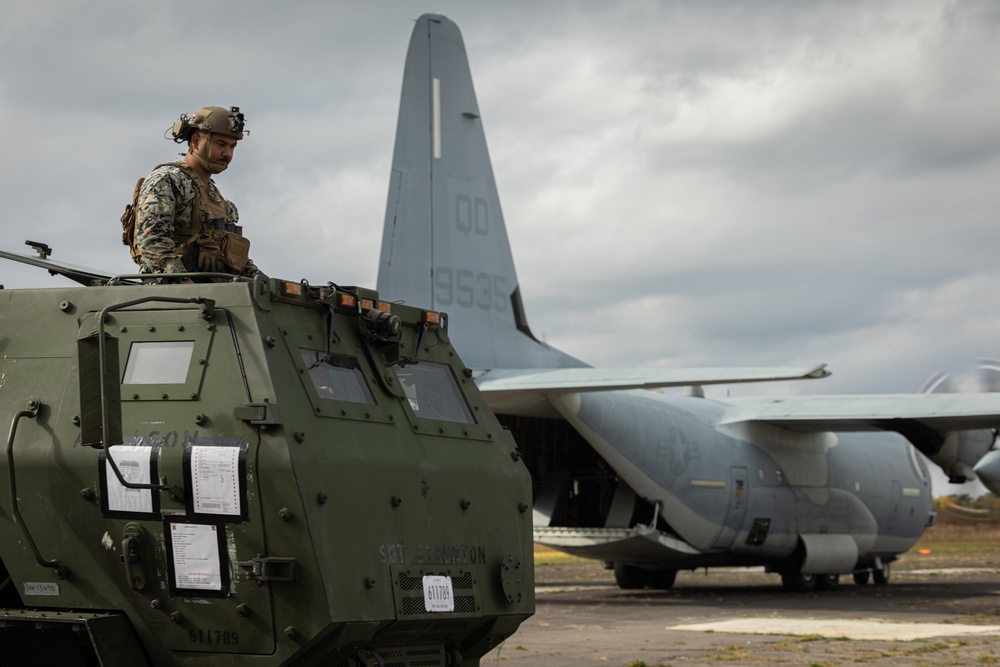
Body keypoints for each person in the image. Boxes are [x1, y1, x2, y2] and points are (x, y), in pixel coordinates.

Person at [132, 105, 259, 279]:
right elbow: (153, 243)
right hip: (171, 296)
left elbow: (234, 259)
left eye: (232, 147)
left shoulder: (217, 199)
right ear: (195, 141)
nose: (227, 154)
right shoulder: (168, 181)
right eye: (221, 144)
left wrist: (268, 285)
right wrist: (184, 284)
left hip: (215, 294)